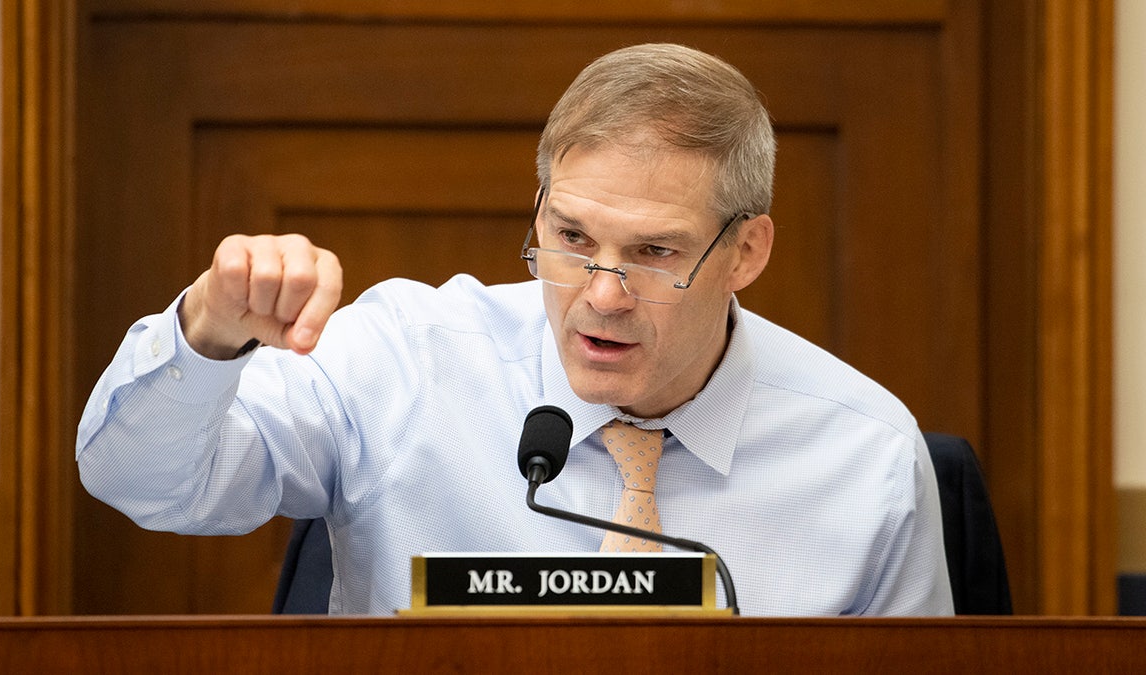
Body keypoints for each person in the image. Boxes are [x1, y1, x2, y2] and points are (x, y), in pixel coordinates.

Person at [77, 43, 954, 616]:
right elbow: (143, 481)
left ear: (747, 250)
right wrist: (208, 334)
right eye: (570, 238)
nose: (601, 295)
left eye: (654, 251)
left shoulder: (865, 457)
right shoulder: (404, 360)